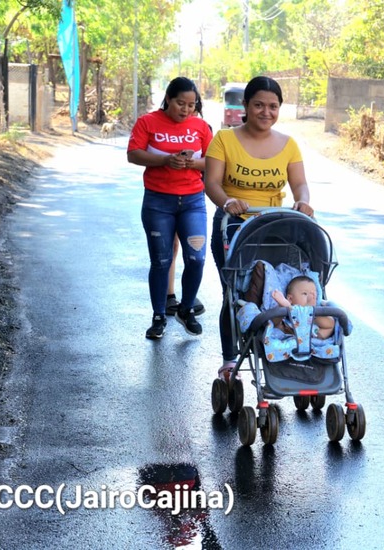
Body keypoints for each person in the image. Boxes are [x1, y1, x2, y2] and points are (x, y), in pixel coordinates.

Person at [205, 76, 313, 381]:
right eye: (259, 105)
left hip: (274, 227)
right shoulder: (224, 140)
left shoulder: (288, 145)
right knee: (235, 293)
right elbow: (211, 183)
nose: (266, 112)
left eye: (273, 106)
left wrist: (303, 201)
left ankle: (287, 345)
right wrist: (227, 202)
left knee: (278, 288)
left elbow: (300, 184)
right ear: (246, 106)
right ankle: (230, 360)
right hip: (234, 226)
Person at [127, 76, 213, 339]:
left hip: (192, 201)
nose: (185, 109)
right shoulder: (148, 122)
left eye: (191, 104)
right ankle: (158, 316)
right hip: (158, 202)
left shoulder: (200, 127)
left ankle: (186, 309)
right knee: (161, 261)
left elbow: (212, 161)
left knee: (196, 258)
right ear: (167, 99)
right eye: (180, 103)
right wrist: (165, 160)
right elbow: (133, 154)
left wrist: (191, 164)